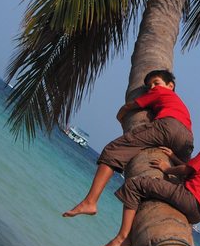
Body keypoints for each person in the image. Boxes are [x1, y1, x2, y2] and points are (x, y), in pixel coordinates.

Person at [98, 111, 200, 246]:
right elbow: (194, 171)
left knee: (134, 185)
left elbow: (187, 170)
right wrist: (174, 157)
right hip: (198, 213)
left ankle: (123, 237)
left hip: (189, 198)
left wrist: (166, 168)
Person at [63, 69, 193, 218]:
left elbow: (130, 106)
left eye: (156, 83)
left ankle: (90, 202)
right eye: (149, 86)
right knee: (182, 177)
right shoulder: (179, 103)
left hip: (168, 127)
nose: (152, 88)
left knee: (113, 150)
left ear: (170, 86)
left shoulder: (160, 92)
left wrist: (120, 116)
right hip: (187, 138)